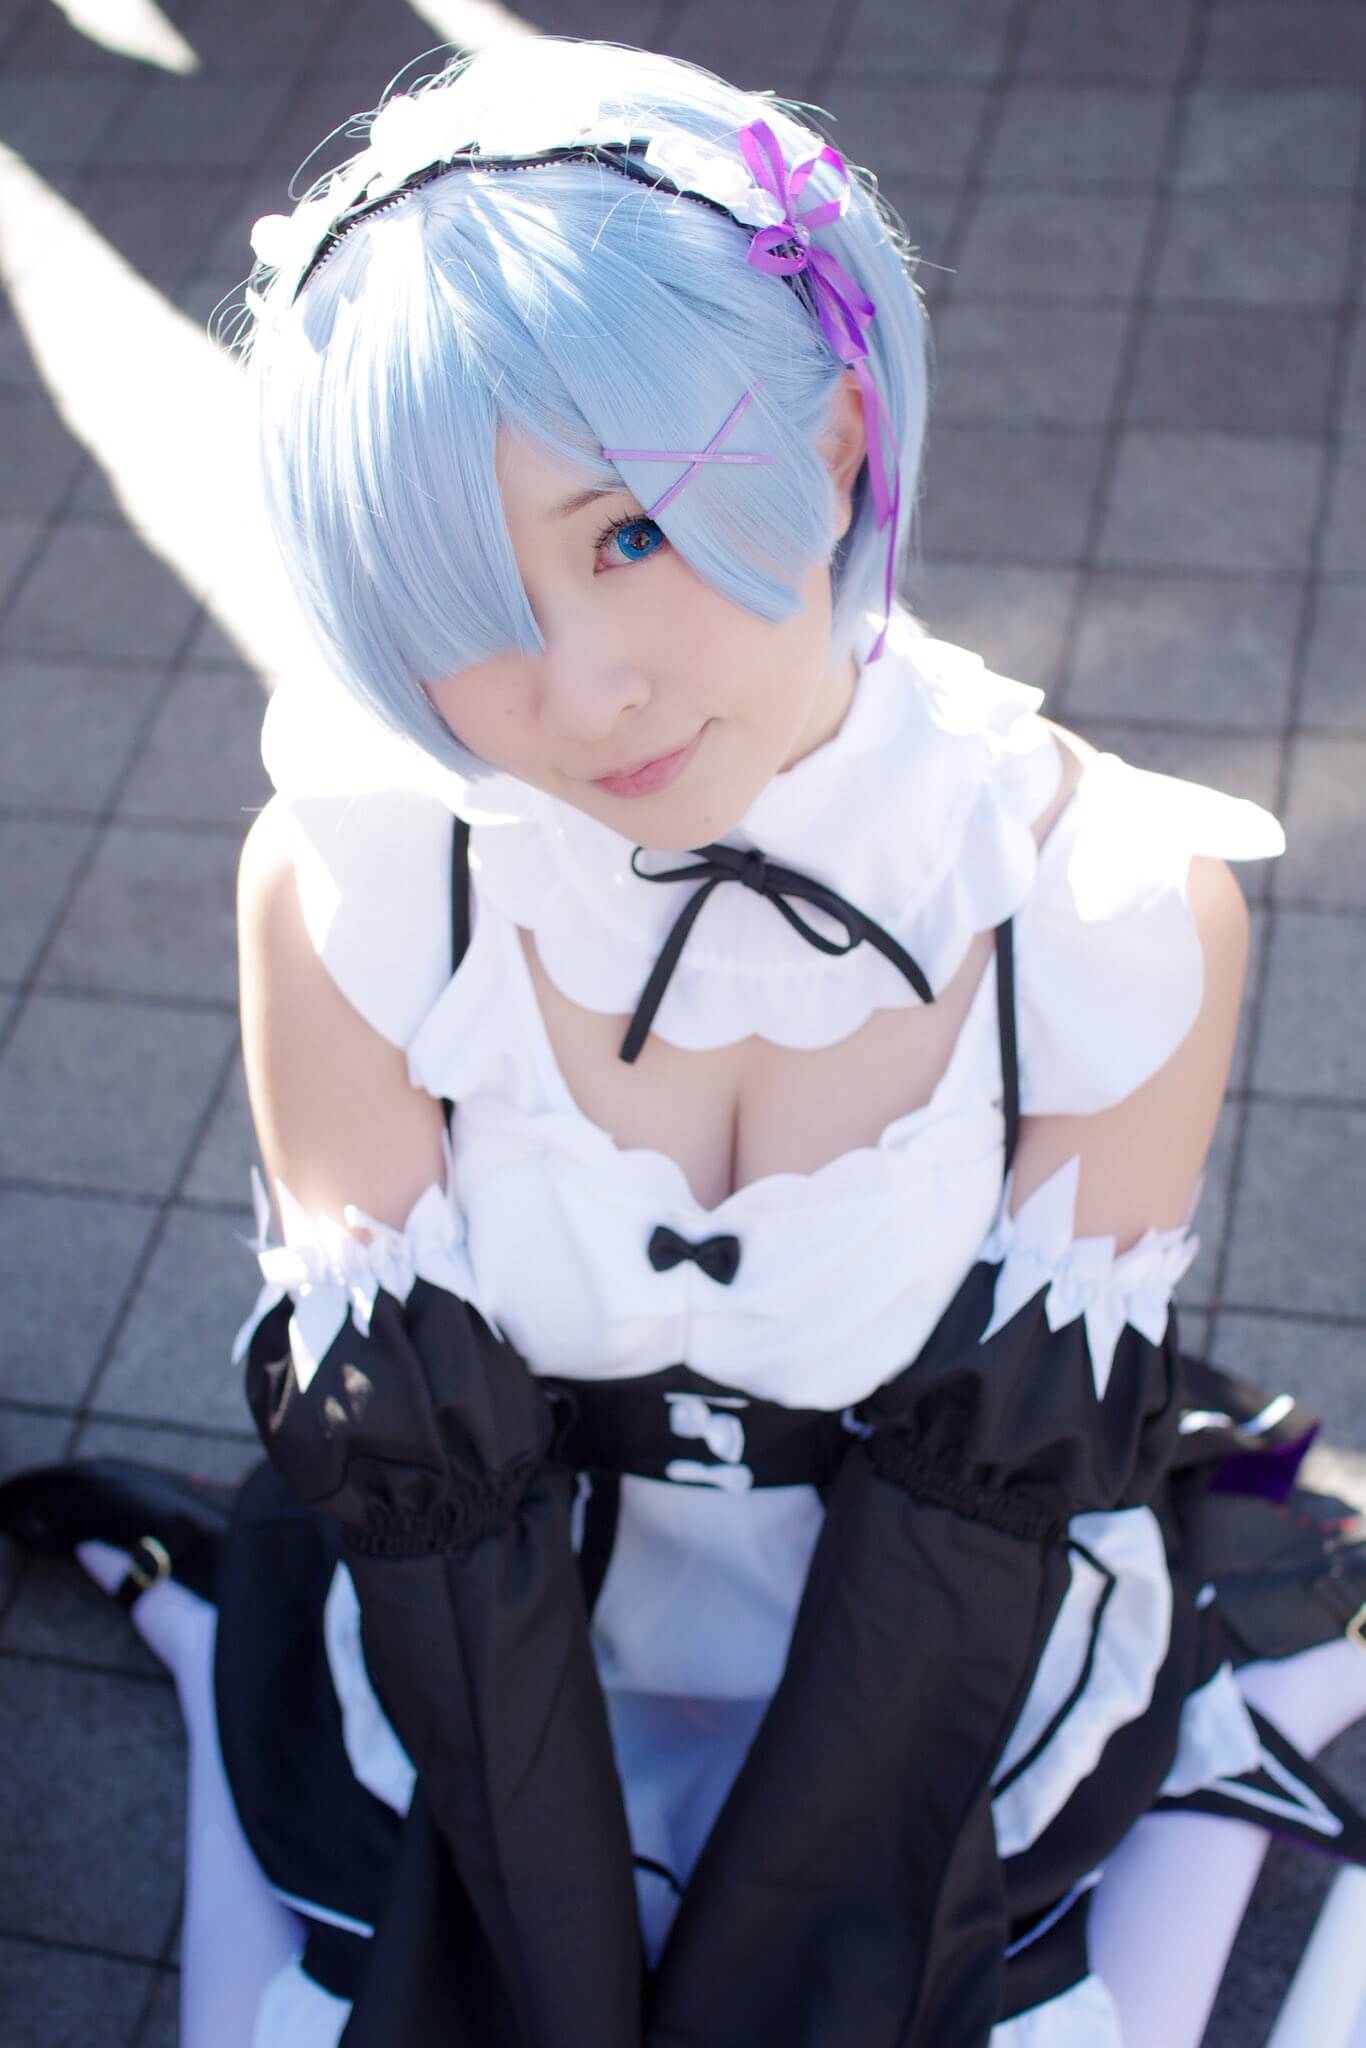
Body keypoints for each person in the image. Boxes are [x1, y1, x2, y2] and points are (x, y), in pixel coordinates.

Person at [5, 35, 1366, 2048]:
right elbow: (430, 1510)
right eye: (461, 597)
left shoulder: (1103, 910)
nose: (578, 696)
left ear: (839, 445)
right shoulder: (365, 878)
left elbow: (967, 1540)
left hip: (934, 1687)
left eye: (630, 530)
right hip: (482, 1677)